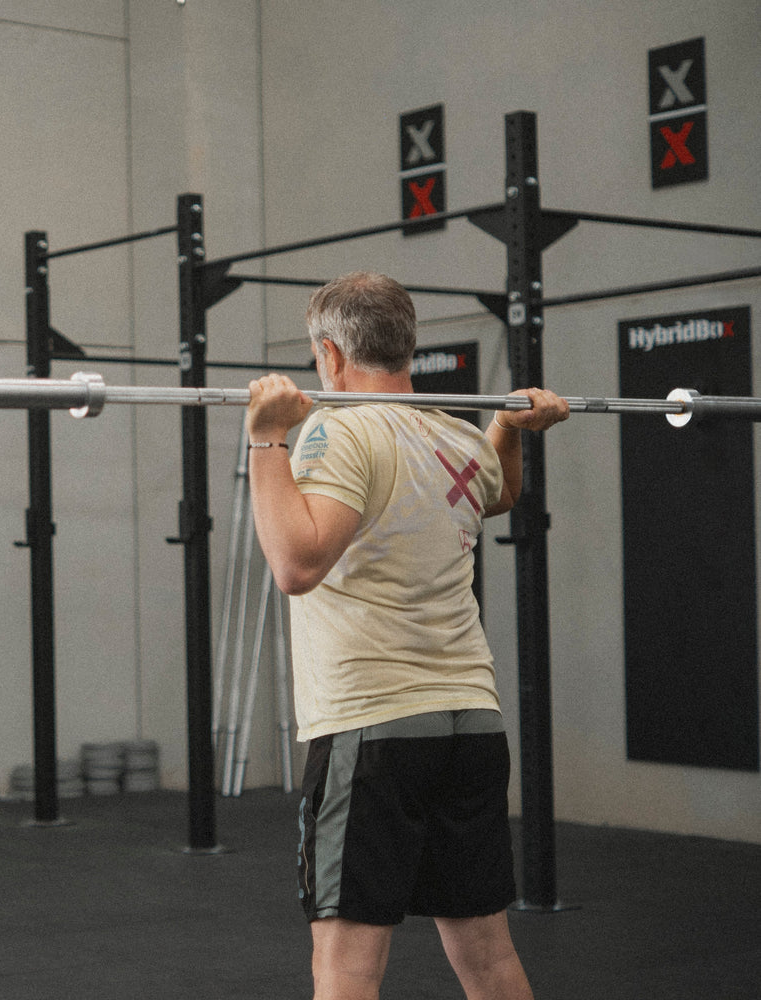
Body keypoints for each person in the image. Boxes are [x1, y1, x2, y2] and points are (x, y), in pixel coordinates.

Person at [245, 271, 569, 1000]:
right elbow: (498, 489)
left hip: (375, 727)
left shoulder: (339, 430)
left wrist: (267, 439)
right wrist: (507, 428)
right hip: (470, 725)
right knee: (488, 959)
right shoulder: (456, 434)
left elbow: (297, 565)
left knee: (346, 968)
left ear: (329, 354)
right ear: (405, 346)